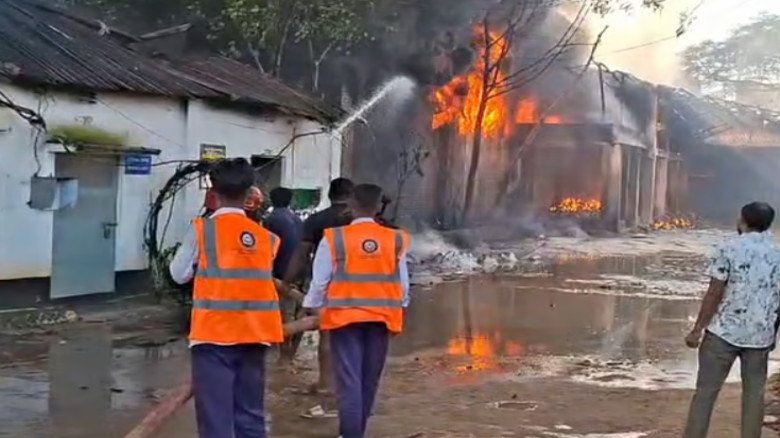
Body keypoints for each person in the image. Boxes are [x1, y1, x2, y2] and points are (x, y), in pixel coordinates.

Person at [169, 158, 288, 438]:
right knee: (250, 416)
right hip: (257, 335)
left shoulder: (203, 230)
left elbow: (178, 274)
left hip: (214, 336)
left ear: (213, 191)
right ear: (250, 193)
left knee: (216, 420)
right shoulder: (266, 238)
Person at [303, 183, 411, 438]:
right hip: (382, 319)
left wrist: (311, 306)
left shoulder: (334, 238)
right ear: (377, 207)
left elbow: (320, 282)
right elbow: (403, 285)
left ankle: (350, 434)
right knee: (369, 381)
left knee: (349, 381)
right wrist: (400, 309)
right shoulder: (395, 238)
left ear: (351, 205)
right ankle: (357, 432)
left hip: (345, 319)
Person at [683, 202, 780, 438]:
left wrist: (697, 329)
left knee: (705, 394)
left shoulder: (727, 248)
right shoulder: (777, 254)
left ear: (743, 221)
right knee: (754, 398)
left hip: (722, 334)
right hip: (759, 338)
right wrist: (772, 334)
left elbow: (715, 292)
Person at [282, 178, 354, 413]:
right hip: (361, 287)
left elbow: (302, 255)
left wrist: (287, 281)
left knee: (327, 334)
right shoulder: (360, 219)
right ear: (351, 196)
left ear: (330, 195)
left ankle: (325, 382)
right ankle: (347, 384)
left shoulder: (317, 220)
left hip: (327, 282)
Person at [264, 187, 304, 359]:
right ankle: (291, 353)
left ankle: (284, 358)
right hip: (300, 272)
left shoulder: (271, 220)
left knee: (284, 315)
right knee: (297, 312)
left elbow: (267, 249)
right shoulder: (297, 219)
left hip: (281, 273)